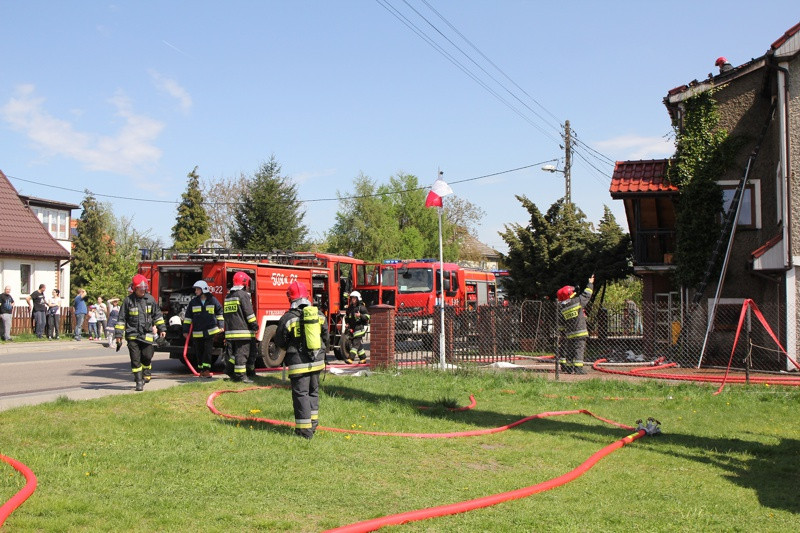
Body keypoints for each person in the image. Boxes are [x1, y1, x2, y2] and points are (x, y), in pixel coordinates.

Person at [275, 281, 328, 439]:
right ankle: (313, 424)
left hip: (299, 363)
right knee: (313, 392)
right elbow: (325, 336)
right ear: (307, 296)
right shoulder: (319, 314)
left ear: (290, 298)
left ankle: (304, 431)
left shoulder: (288, 318)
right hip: (317, 360)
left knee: (301, 394)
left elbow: (280, 341)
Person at [114, 274, 166, 391]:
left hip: (147, 334)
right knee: (135, 359)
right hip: (132, 335)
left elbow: (157, 315)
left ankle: (146, 371)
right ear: (134, 288)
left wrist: (162, 328)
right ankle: (138, 380)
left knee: (147, 356)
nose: (143, 290)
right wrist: (118, 335)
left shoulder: (150, 300)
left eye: (144, 288)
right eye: (140, 288)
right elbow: (121, 319)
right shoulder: (128, 301)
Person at [183, 280, 224, 378]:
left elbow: (219, 313)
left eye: (197, 289)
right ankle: (201, 370)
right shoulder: (193, 302)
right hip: (197, 333)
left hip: (210, 332)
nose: (196, 291)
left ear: (203, 290)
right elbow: (188, 318)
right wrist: (185, 330)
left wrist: (221, 326)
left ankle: (206, 370)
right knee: (199, 352)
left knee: (207, 352)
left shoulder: (213, 300)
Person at [223, 272, 258, 383]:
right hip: (243, 332)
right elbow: (249, 313)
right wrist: (254, 325)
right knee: (242, 354)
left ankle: (230, 371)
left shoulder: (228, 296)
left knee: (233, 355)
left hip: (230, 332)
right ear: (244, 283)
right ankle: (241, 376)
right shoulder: (243, 295)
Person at [556, 275, 594, 374]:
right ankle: (578, 369)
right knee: (579, 350)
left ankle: (568, 368)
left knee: (569, 351)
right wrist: (590, 283)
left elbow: (562, 323)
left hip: (569, 333)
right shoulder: (577, 301)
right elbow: (587, 295)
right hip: (580, 331)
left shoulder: (562, 307)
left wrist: (562, 332)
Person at [343, 290, 370, 364]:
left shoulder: (362, 308)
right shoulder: (350, 308)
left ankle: (351, 359)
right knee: (358, 345)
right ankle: (363, 358)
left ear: (358, 299)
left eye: (354, 298)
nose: (353, 300)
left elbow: (367, 317)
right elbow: (347, 317)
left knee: (355, 343)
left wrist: (360, 315)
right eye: (352, 298)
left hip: (360, 328)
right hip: (353, 328)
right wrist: (347, 323)